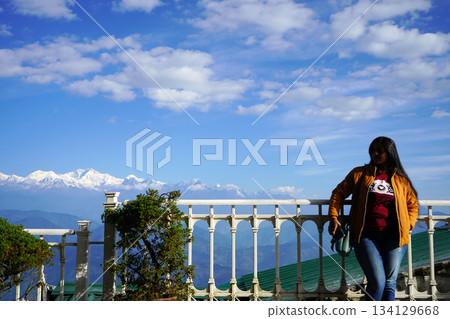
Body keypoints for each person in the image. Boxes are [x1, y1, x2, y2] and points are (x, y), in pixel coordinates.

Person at [328, 136, 419, 301]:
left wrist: (409, 225)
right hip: (366, 235)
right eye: (372, 150)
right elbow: (338, 193)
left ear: (390, 152)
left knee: (389, 283)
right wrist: (334, 216)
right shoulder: (359, 174)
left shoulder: (401, 179)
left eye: (380, 151)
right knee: (377, 283)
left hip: (395, 236)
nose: (375, 154)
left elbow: (413, 205)